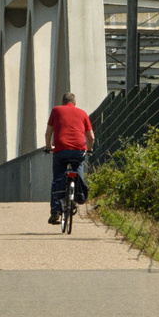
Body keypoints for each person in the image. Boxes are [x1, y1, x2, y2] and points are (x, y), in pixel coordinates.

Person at [45, 91, 94, 225]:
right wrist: (89, 149)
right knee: (78, 173)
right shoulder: (82, 113)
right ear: (75, 103)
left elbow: (48, 133)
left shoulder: (56, 110)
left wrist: (49, 147)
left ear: (63, 103)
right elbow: (91, 137)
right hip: (79, 151)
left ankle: (55, 212)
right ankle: (78, 197)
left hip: (61, 151)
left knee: (57, 179)